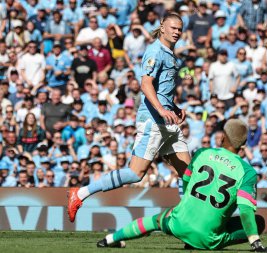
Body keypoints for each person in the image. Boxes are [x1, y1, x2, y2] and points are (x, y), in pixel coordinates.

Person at [67, 13, 191, 222]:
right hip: (153, 119)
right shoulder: (155, 51)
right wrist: (161, 109)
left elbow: (162, 89)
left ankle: (187, 221)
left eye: (180, 29)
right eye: (173, 28)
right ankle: (79, 194)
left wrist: (174, 107)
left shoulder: (170, 53)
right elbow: (146, 84)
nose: (177, 32)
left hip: (167, 119)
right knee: (135, 173)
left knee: (187, 171)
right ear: (162, 27)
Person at [96, 119, 267, 252]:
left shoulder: (202, 153)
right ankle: (205, 239)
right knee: (259, 222)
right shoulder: (247, 172)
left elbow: (185, 182)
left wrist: (189, 206)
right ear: (243, 144)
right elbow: (245, 211)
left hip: (179, 224)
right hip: (206, 239)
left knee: (155, 221)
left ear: (222, 138)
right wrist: (256, 244)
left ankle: (110, 239)